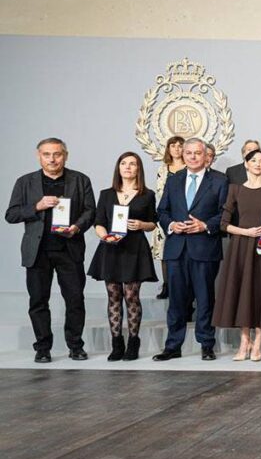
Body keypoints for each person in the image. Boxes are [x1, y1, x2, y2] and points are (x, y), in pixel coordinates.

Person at [6, 138, 96, 363]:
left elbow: (90, 211)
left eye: (57, 154)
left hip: (69, 249)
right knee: (38, 301)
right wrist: (37, 206)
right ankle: (42, 348)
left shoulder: (80, 180)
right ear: (39, 156)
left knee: (75, 300)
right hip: (37, 251)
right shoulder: (25, 182)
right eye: (47, 154)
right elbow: (11, 214)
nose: (52, 159)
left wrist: (76, 227)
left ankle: (75, 346)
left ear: (65, 155)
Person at [154, 138, 229, 361]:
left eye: (198, 153)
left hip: (204, 247)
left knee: (205, 298)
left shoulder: (219, 180)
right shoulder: (174, 179)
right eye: (189, 153)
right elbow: (162, 210)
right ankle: (173, 346)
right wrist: (171, 224)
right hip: (177, 247)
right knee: (176, 300)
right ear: (183, 155)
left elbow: (225, 213)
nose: (193, 157)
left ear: (206, 156)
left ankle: (207, 344)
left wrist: (205, 225)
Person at [212, 149, 261, 362]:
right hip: (241, 247)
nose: (258, 163)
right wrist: (245, 232)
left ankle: (258, 343)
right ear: (245, 164)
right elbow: (224, 224)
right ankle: (244, 340)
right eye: (254, 160)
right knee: (243, 293)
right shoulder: (235, 189)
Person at [87, 152, 157, 361]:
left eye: (132, 164)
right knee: (114, 296)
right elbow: (98, 221)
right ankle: (116, 344)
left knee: (131, 296)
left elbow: (153, 222)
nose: (127, 167)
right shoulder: (106, 194)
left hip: (135, 248)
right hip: (111, 248)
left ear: (138, 169)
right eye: (123, 163)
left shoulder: (147, 194)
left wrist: (141, 225)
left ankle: (133, 342)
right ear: (118, 168)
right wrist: (104, 236)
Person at [152, 134, 186, 299]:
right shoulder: (163, 169)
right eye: (173, 146)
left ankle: (182, 286)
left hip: (183, 214)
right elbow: (160, 192)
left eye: (180, 146)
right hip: (166, 215)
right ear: (168, 149)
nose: (177, 149)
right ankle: (166, 284)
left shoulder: (189, 167)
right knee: (163, 252)